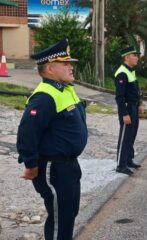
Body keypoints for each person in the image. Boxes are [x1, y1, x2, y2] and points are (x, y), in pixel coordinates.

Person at [16, 39, 88, 240]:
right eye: (65, 64)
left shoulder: (64, 89)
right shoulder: (44, 96)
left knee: (69, 213)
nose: (70, 67)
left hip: (69, 166)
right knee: (60, 218)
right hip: (53, 168)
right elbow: (26, 132)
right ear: (49, 68)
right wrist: (30, 164)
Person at [114, 46, 144, 175]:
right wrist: (124, 114)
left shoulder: (131, 71)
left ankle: (128, 160)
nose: (137, 57)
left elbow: (136, 90)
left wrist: (140, 103)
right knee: (125, 137)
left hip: (134, 106)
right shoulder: (122, 73)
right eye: (134, 55)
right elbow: (119, 96)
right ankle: (121, 165)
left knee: (131, 135)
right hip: (126, 108)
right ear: (127, 57)